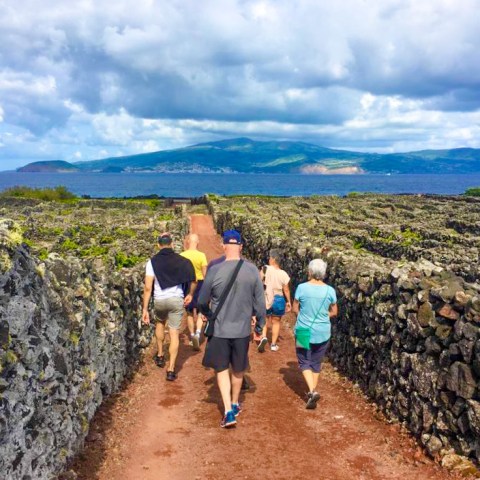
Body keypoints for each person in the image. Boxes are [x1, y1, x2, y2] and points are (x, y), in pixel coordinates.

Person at [198, 229, 266, 428]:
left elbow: (202, 300)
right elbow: (260, 305)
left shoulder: (214, 270)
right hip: (242, 330)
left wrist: (207, 313)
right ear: (241, 247)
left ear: (224, 245)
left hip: (220, 329)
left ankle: (228, 411)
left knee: (221, 368)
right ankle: (236, 402)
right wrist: (260, 327)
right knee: (238, 368)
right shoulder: (252, 270)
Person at [142, 232, 196, 381]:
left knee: (160, 323)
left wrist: (145, 309)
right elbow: (193, 279)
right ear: (172, 244)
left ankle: (160, 354)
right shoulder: (183, 261)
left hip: (159, 299)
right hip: (176, 299)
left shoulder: (151, 262)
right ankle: (171, 369)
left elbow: (148, 287)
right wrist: (190, 294)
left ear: (158, 245)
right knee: (174, 333)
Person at [292, 258, 337, 409]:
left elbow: (295, 308)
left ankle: (311, 391)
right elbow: (334, 311)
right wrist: (323, 317)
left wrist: (303, 316)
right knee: (316, 363)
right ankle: (312, 392)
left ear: (310, 272)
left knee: (304, 360)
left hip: (304, 329)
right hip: (323, 331)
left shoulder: (302, 288)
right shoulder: (330, 290)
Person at [258, 249, 292, 352]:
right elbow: (286, 289)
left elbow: (259, 282)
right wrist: (288, 301)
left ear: (273, 259)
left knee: (264, 318)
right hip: (279, 298)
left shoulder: (265, 269)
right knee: (276, 322)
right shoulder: (284, 274)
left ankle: (263, 336)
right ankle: (273, 344)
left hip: (267, 297)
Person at [181, 233, 208, 350]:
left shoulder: (182, 255)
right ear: (197, 242)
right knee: (201, 310)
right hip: (200, 283)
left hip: (187, 283)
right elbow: (205, 273)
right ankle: (198, 332)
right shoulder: (202, 255)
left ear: (188, 242)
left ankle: (192, 336)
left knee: (189, 312)